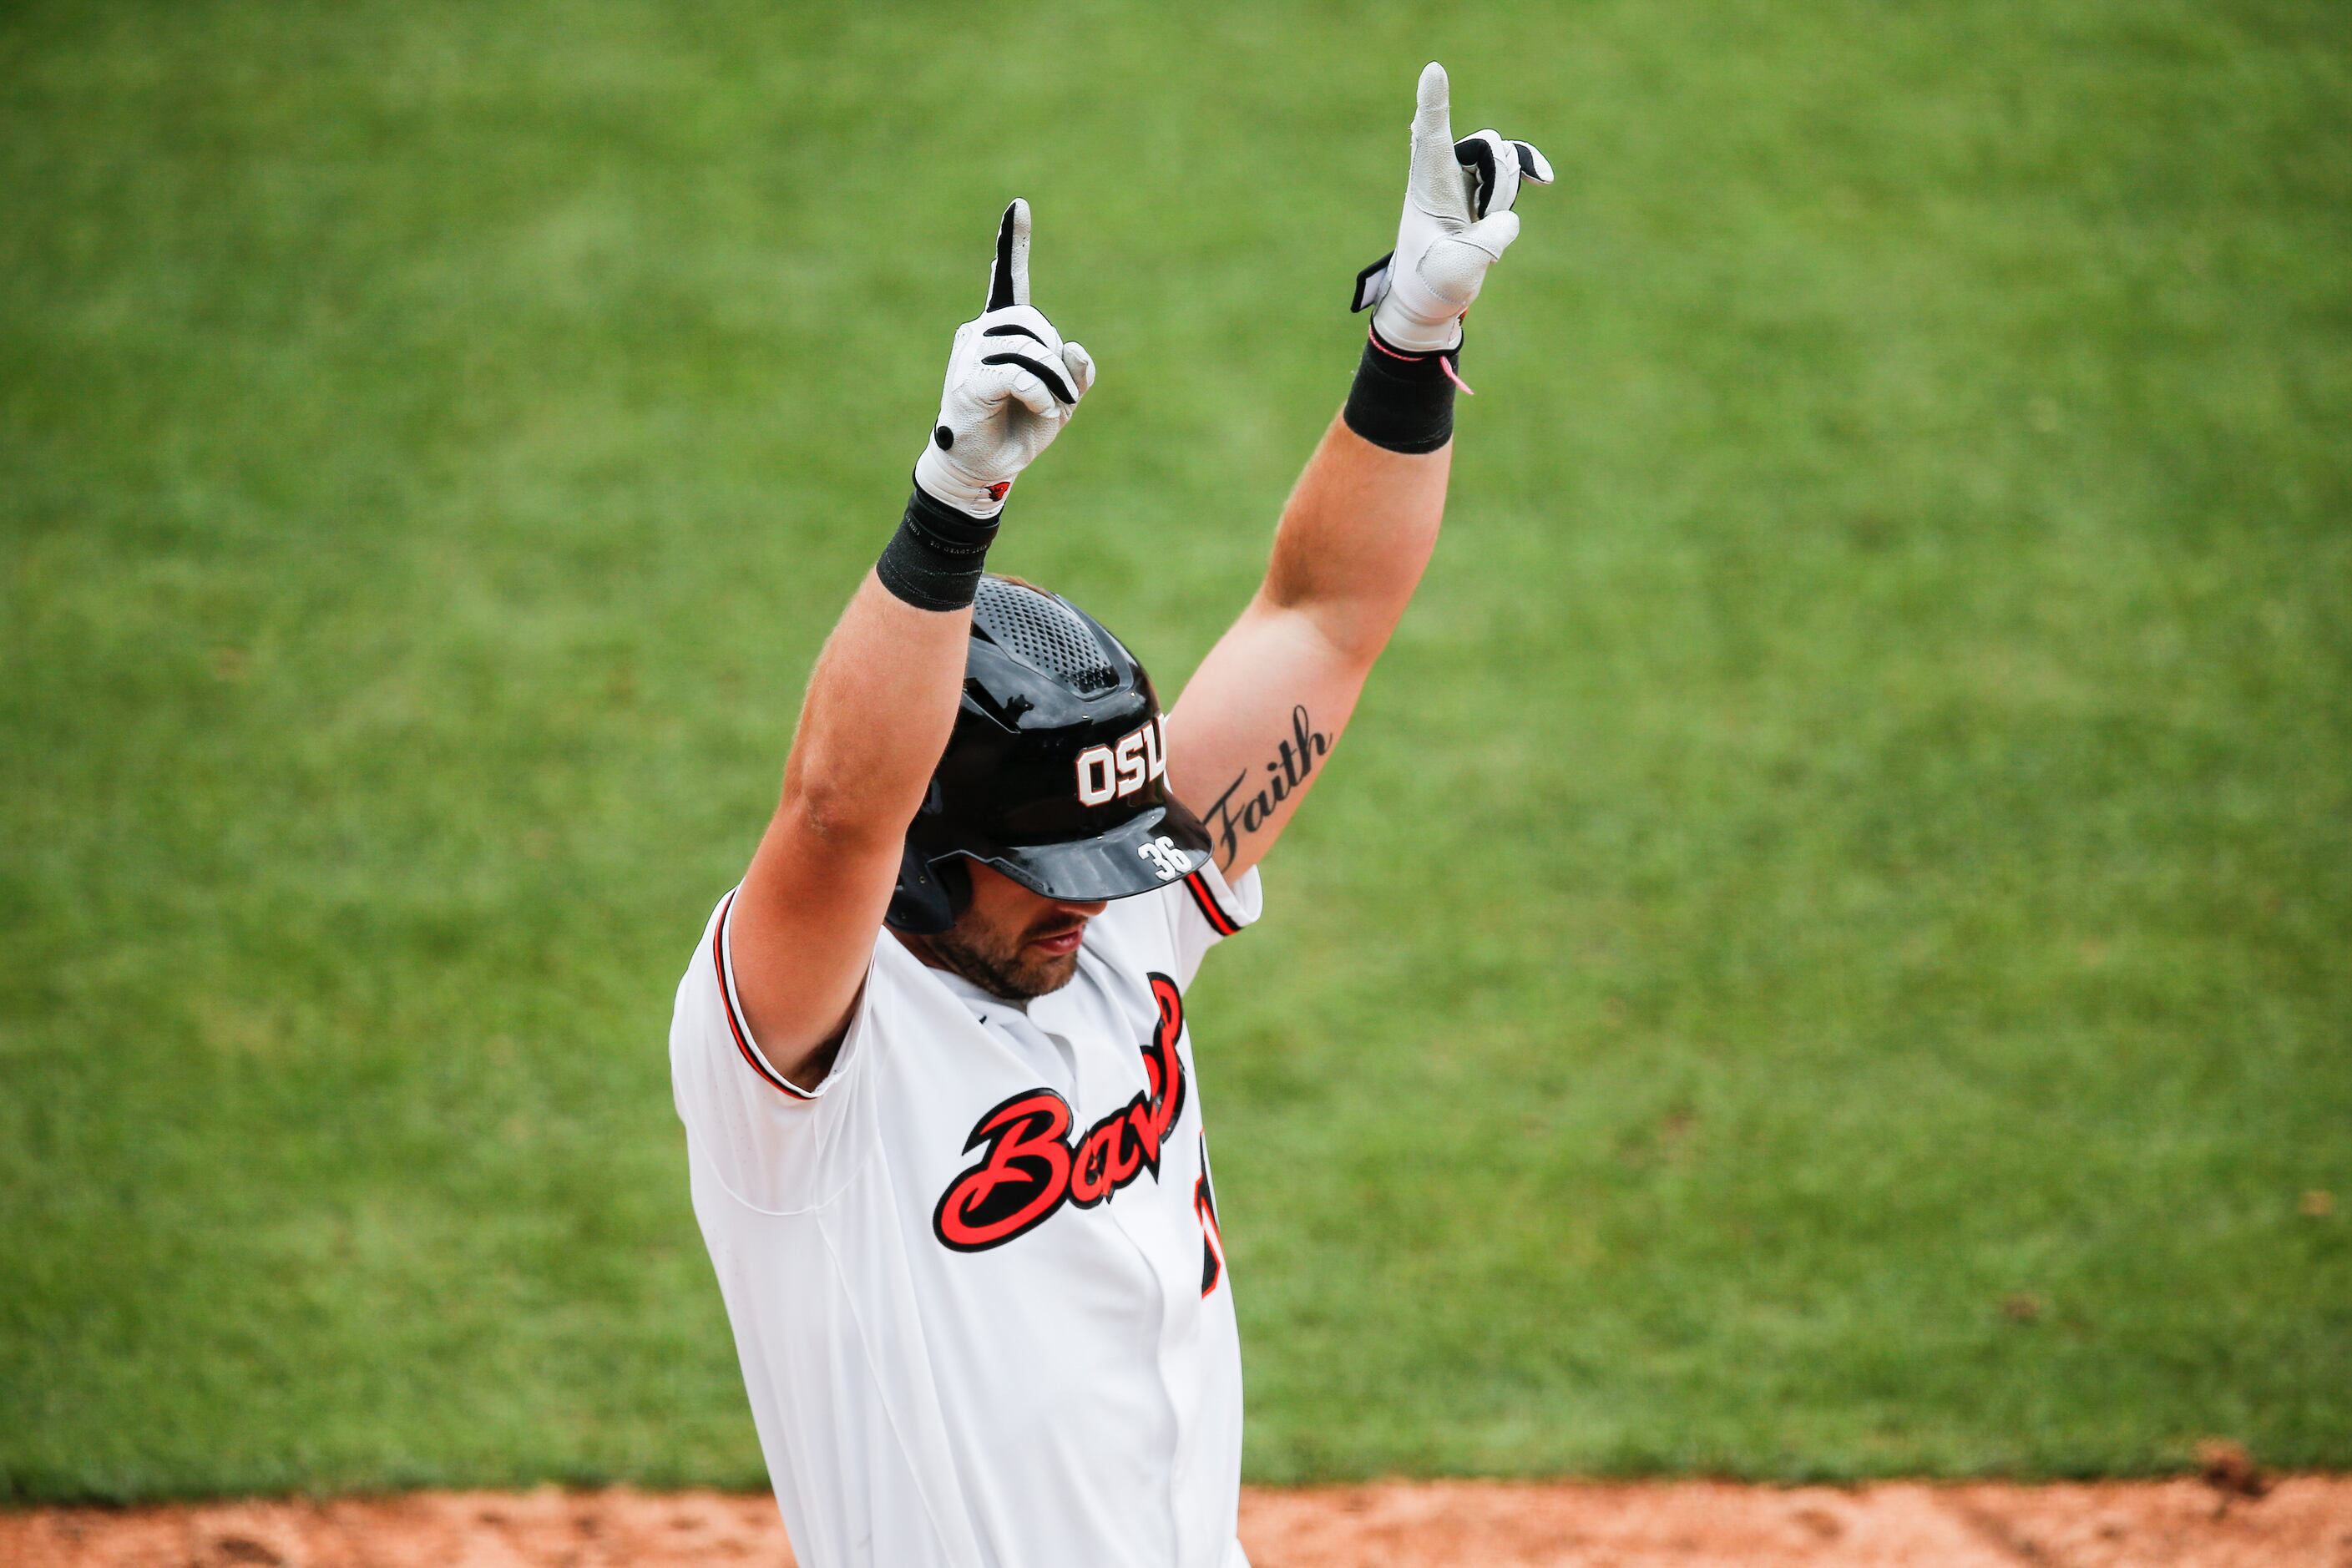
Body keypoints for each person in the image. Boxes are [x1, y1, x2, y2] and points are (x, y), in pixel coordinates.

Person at [670, 62, 1548, 1568]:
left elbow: (1323, 617)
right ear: (932, 857)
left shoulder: (1116, 910)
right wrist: (953, 503)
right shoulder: (805, 1063)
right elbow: (830, 811)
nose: (1095, 899)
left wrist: (1413, 339)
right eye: (1042, 870)